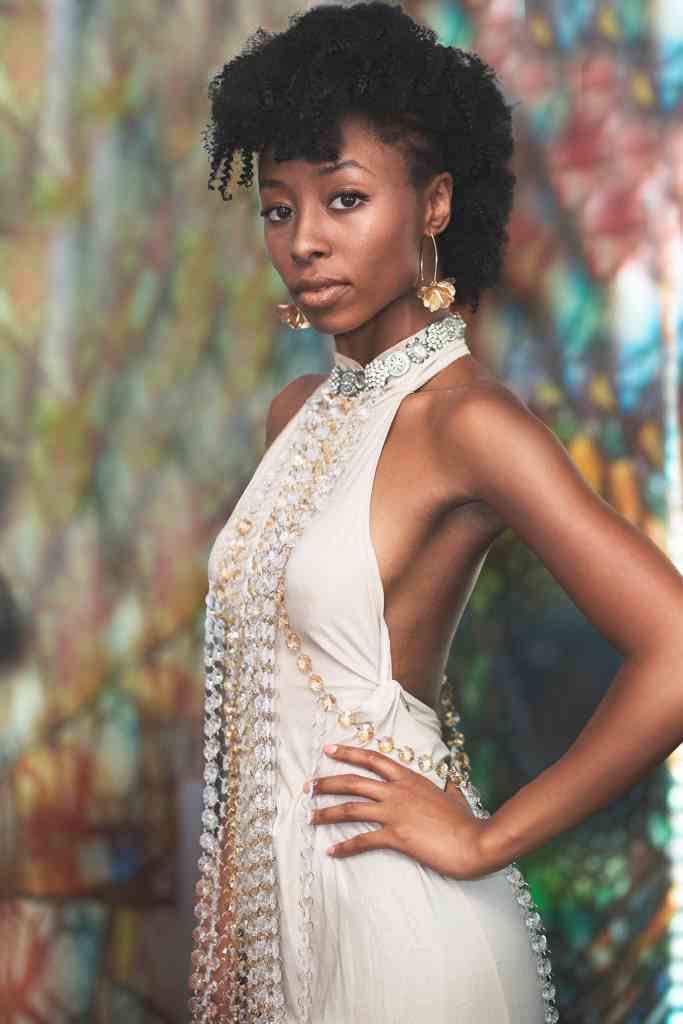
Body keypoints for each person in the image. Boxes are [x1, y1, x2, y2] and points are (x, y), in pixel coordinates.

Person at [188, 4, 683, 1023]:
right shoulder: (295, 413)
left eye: (346, 199)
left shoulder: (467, 423)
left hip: (401, 937)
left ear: (434, 205)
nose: (305, 242)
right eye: (278, 210)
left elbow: (674, 648)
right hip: (277, 941)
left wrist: (486, 838)